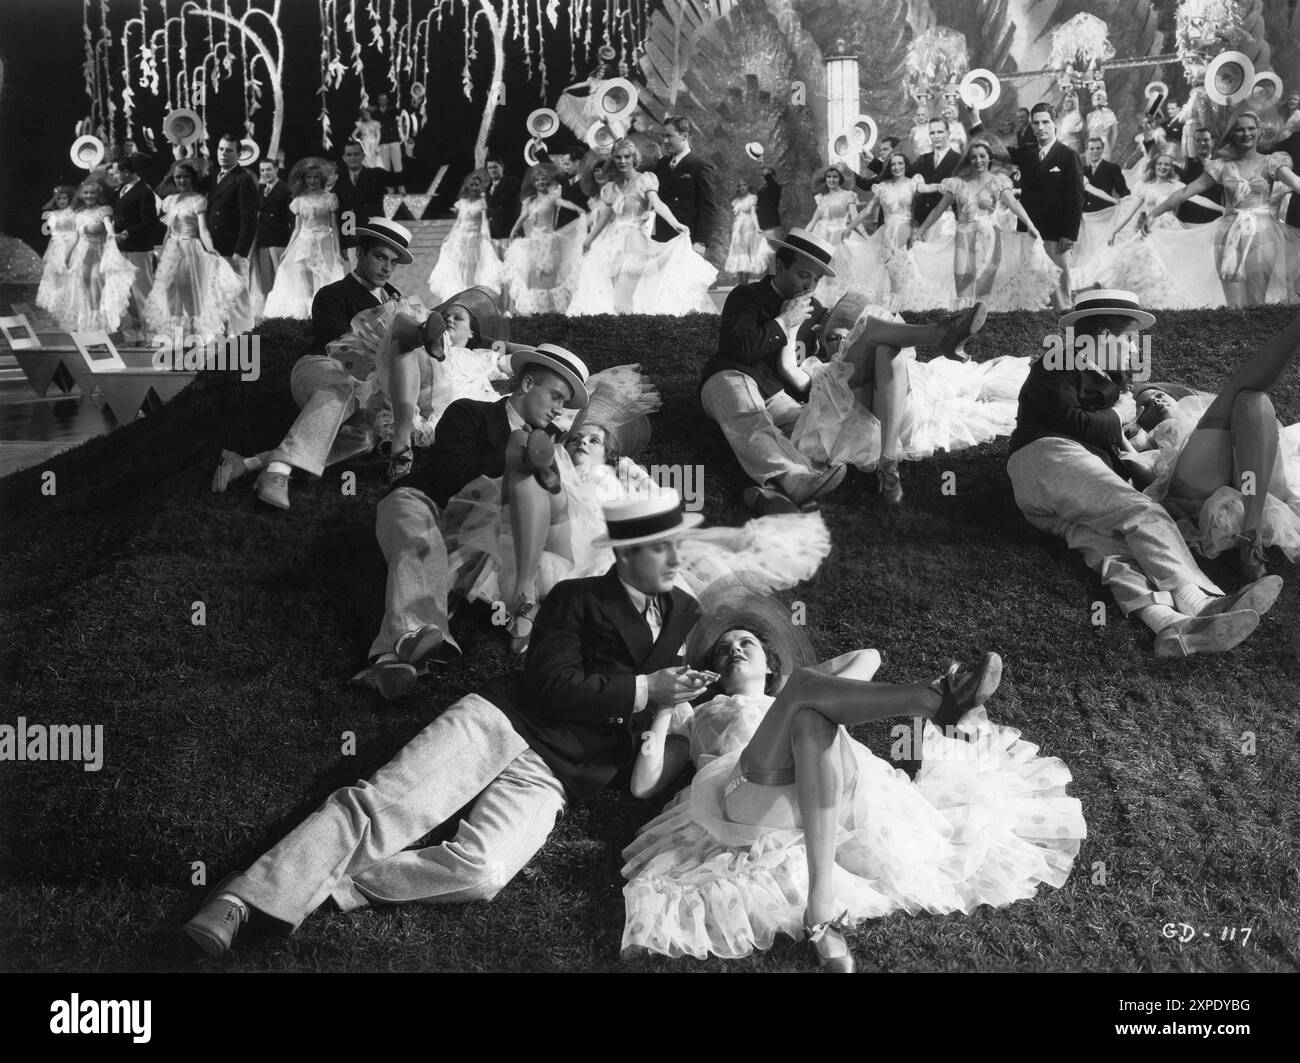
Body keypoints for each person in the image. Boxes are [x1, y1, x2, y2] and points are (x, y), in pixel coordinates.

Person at [181, 492, 715, 959]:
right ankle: (244, 898)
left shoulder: (685, 610)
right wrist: (648, 690)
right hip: (506, 721)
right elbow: (548, 685)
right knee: (384, 807)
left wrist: (673, 697)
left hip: (562, 770)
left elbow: (651, 689)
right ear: (624, 552)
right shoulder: (576, 598)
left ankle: (329, 883)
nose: (674, 557)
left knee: (482, 872)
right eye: (659, 546)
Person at [621, 585, 1085, 969]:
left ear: (769, 662)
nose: (734, 649)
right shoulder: (698, 713)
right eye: (724, 649)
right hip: (748, 798)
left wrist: (798, 686)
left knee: (809, 713)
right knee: (805, 699)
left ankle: (819, 906)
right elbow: (644, 784)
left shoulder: (794, 689)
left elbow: (870, 655)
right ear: (715, 672)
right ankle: (931, 701)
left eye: (747, 643)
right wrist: (665, 709)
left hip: (823, 785)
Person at [1005, 289, 1283, 657]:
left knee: (1113, 550)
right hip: (1046, 460)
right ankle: (1202, 604)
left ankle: (1170, 626)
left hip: (1049, 498)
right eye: (1130, 339)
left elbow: (1107, 432)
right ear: (1104, 338)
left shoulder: (1110, 378)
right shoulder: (1056, 364)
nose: (1136, 350)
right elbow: (1074, 421)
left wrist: (1132, 433)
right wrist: (1119, 416)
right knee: (1142, 512)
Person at [358, 344, 591, 697]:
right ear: (527, 384)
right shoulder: (470, 412)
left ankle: (389, 663)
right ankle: (416, 636)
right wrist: (516, 454)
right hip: (423, 501)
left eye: (564, 403)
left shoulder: (550, 444)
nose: (559, 410)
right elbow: (450, 472)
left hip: (477, 538)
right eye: (555, 396)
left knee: (442, 565)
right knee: (419, 542)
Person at [210, 220, 413, 509]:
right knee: (346, 386)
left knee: (365, 438)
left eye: (394, 262)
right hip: (320, 366)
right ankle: (277, 474)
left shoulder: (397, 300)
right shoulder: (333, 294)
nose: (387, 268)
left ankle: (249, 464)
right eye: (380, 257)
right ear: (361, 254)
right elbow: (343, 348)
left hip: (368, 383)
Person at [1121, 313, 1300, 579]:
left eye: (1158, 395)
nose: (1155, 403)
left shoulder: (1200, 412)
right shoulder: (1147, 440)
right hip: (1196, 486)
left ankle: (1251, 538)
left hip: (1254, 481)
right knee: (1246, 394)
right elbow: (1139, 473)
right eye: (1145, 406)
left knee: (1254, 400)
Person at [1142, 111, 1300, 308]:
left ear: (1259, 132)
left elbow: (1296, 183)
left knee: (1257, 305)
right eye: (1240, 129)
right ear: (1232, 134)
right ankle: (1236, 338)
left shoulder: (1272, 162)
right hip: (1228, 235)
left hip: (1263, 234)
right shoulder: (1220, 166)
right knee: (1234, 307)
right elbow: (1185, 192)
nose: (1246, 133)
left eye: (1251, 129)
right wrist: (1153, 214)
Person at [568, 138, 715, 315]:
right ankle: (623, 331)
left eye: (627, 157)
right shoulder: (610, 188)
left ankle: (630, 331)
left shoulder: (645, 180)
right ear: (613, 160)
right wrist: (589, 240)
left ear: (633, 158)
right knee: (612, 295)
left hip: (636, 243)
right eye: (618, 157)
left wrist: (675, 223)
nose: (622, 161)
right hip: (613, 246)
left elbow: (658, 204)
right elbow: (605, 217)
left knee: (623, 294)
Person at [380, 284, 511, 481]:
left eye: (458, 318)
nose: (449, 319)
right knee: (400, 331)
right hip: (421, 387)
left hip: (451, 407)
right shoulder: (422, 352)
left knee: (401, 338)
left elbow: (524, 358)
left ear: (473, 333)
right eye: (445, 317)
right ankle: (424, 335)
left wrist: (493, 342)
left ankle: (401, 449)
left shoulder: (479, 356)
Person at [913, 137, 1058, 311]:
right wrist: (920, 231)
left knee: (983, 290)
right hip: (963, 237)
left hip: (988, 238)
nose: (978, 160)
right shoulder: (957, 183)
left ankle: (983, 327)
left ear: (989, 158)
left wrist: (1030, 225)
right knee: (963, 283)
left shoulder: (997, 182)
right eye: (973, 157)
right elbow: (938, 209)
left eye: (982, 156)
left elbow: (1014, 204)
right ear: (968, 159)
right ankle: (964, 324)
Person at [977, 102, 1084, 312]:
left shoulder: (1068, 155)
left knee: (1060, 290)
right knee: (1029, 284)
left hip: (1057, 234)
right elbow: (993, 149)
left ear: (1055, 123)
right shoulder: (1028, 154)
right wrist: (975, 120)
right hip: (1028, 232)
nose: (1040, 127)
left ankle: (1066, 332)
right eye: (1036, 123)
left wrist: (1069, 234)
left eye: (1045, 122)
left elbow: (1076, 198)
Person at [143, 162, 244, 344]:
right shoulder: (170, 200)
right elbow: (168, 231)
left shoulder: (198, 200)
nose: (181, 180)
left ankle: (195, 338)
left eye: (185, 177)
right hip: (172, 251)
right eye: (178, 177)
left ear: (192, 178)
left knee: (192, 295)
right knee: (172, 296)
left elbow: (203, 230)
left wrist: (211, 249)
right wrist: (162, 254)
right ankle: (176, 339)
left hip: (190, 249)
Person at [48, 177, 137, 334]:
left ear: (98, 194)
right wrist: (66, 258)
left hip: (98, 254)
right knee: (84, 292)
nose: (89, 196)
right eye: (86, 193)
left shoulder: (104, 210)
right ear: (81, 195)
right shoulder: (79, 213)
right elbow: (75, 238)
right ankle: (89, 330)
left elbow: (109, 229)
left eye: (93, 193)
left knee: (97, 289)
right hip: (80, 256)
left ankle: (103, 330)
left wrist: (114, 236)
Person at [262, 160, 346, 320]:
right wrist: (287, 251)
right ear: (305, 179)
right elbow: (297, 229)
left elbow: (334, 227)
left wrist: (337, 250)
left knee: (325, 278)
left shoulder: (330, 198)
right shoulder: (299, 199)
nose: (312, 181)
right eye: (309, 177)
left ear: (320, 178)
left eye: (315, 177)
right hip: (304, 243)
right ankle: (307, 315)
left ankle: (324, 313)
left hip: (325, 242)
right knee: (304, 279)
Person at [502, 163, 585, 313]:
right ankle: (537, 310)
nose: (541, 182)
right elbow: (522, 218)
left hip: (549, 242)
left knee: (549, 275)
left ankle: (550, 311)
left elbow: (565, 203)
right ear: (533, 183)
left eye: (543, 179)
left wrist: (578, 209)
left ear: (547, 181)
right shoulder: (530, 201)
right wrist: (513, 230)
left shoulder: (552, 197)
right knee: (534, 276)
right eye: (538, 180)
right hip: (534, 243)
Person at [205, 132, 258, 333]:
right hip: (214, 249)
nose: (223, 154)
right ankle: (219, 340)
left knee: (237, 297)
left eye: (229, 150)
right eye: (220, 149)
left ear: (238, 154)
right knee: (216, 296)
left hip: (232, 250)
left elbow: (249, 219)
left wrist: (240, 251)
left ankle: (244, 338)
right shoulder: (212, 178)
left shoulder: (243, 179)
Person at [428, 171, 503, 302]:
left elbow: (484, 221)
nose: (474, 187)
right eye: (472, 185)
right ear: (468, 186)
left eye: (476, 185)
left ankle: (473, 293)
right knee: (459, 265)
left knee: (473, 266)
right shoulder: (462, 201)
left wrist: (487, 237)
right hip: (461, 238)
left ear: (480, 186)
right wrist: (449, 236)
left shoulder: (482, 201)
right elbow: (458, 222)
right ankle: (462, 294)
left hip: (474, 237)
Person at [107, 156, 158, 343]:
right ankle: (130, 332)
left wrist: (128, 233)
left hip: (138, 249)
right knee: (124, 291)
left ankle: (151, 333)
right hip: (122, 249)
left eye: (117, 172)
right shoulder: (121, 190)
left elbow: (150, 222)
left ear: (127, 172)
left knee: (142, 290)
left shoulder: (144, 192)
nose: (115, 176)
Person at [651, 116, 719, 255]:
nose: (665, 141)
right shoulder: (662, 163)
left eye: (669, 136)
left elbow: (708, 208)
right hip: (659, 238)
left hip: (685, 239)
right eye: (664, 136)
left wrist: (701, 241)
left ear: (685, 136)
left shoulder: (700, 166)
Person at [249, 159, 292, 321]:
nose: (265, 173)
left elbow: (291, 219)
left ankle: (283, 316)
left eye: (268, 169)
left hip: (279, 241)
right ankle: (270, 315)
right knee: (266, 281)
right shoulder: (260, 190)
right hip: (263, 241)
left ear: (276, 170)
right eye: (262, 170)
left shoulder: (285, 189)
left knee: (279, 280)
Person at [335, 141, 388, 267]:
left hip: (374, 237)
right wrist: (343, 244)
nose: (353, 158)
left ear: (363, 156)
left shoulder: (375, 175)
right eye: (349, 154)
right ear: (344, 158)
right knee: (356, 277)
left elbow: (400, 176)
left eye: (356, 154)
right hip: (352, 239)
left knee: (375, 276)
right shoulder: (340, 183)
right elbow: (341, 216)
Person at [908, 116, 962, 232]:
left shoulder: (959, 160)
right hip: (921, 219)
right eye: (932, 133)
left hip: (946, 224)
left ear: (948, 133)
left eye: (940, 132)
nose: (936, 136)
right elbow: (903, 174)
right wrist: (873, 161)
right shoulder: (923, 159)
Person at [35, 185, 79, 319]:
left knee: (67, 275)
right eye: (59, 199)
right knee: (52, 276)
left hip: (69, 244)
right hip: (55, 247)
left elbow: (75, 233)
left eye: (64, 198)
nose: (61, 201)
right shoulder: (52, 214)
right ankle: (53, 308)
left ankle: (67, 309)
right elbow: (46, 210)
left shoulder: (72, 212)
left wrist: (69, 251)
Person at [724, 179, 771, 285]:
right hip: (738, 228)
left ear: (748, 185)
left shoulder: (752, 198)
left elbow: (753, 214)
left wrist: (757, 227)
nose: (742, 188)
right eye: (740, 186)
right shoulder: (736, 200)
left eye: (744, 185)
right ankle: (740, 280)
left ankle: (745, 281)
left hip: (748, 228)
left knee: (746, 253)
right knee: (737, 252)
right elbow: (735, 215)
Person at [1176, 127, 1225, 225]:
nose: (1202, 143)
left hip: (1214, 223)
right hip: (1187, 223)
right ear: (1193, 142)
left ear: (1213, 141)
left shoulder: (1222, 165)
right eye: (1198, 140)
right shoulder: (1185, 165)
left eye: (1206, 140)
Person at [804, 164, 860, 246]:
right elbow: (813, 221)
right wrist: (803, 236)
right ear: (825, 179)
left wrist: (865, 235)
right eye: (829, 177)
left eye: (835, 177)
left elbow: (856, 219)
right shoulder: (822, 198)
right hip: (821, 237)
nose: (831, 180)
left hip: (838, 237)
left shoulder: (848, 195)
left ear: (840, 179)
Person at [483, 155, 522, 258]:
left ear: (502, 167)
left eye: (495, 167)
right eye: (490, 168)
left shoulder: (513, 183)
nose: (492, 170)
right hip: (494, 235)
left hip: (509, 233)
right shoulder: (487, 188)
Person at [371, 92, 405, 191]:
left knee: (398, 165)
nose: (383, 101)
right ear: (378, 100)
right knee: (386, 167)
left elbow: (404, 115)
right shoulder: (374, 113)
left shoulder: (393, 110)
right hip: (382, 143)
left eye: (384, 99)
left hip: (394, 140)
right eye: (381, 99)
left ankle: (401, 187)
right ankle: (390, 188)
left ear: (387, 100)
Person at [1086, 84, 1119, 160]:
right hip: (1091, 147)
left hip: (1103, 146)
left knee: (1103, 169)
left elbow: (1115, 133)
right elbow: (1089, 134)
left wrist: (1110, 149)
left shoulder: (1109, 113)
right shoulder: (1090, 115)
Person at [1057, 87, 1085, 155]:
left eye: (1068, 102)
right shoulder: (1063, 119)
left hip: (1074, 149)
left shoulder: (1077, 117)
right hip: (1063, 149)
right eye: (1064, 102)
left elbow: (1083, 135)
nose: (1065, 104)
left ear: (1074, 103)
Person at [755, 167, 782, 236]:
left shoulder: (775, 187)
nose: (764, 177)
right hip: (762, 226)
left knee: (772, 246)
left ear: (773, 177)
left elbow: (770, 180)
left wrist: (761, 166)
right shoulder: (761, 191)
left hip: (771, 225)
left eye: (767, 175)